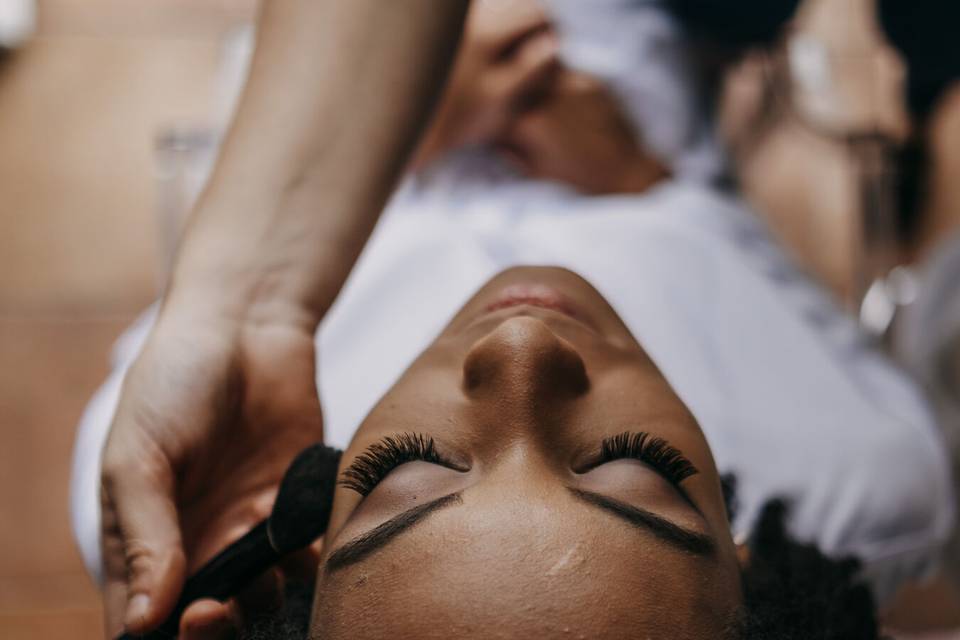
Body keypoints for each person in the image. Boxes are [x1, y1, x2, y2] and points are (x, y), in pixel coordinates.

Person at [73, 0, 954, 637]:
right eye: (633, 468)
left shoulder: (176, 488)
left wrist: (410, 122)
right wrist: (643, 176)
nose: (522, 345)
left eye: (406, 469)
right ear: (747, 561)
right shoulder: (863, 473)